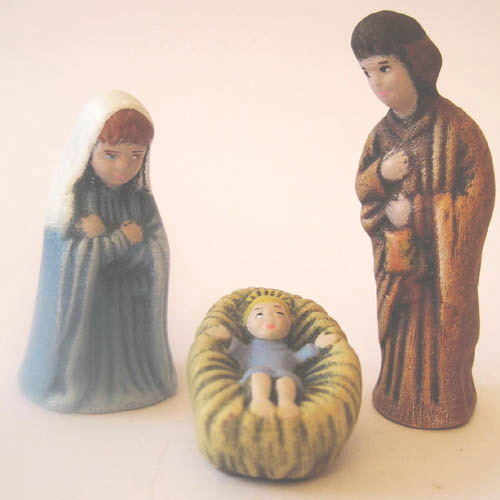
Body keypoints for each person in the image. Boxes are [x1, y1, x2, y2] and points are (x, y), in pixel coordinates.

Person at [351, 11, 495, 428]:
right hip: (397, 266)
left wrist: (423, 213)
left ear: (415, 62)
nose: (376, 83)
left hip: (441, 273)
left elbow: (479, 198)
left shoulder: (458, 129)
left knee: (442, 332)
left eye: (384, 68)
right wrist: (381, 178)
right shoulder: (380, 135)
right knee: (400, 330)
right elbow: (363, 190)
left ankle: (444, 400)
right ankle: (397, 392)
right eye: (366, 73)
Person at [19, 90, 177, 413]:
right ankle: (78, 384)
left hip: (129, 313)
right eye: (111, 155)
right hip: (89, 315)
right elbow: (70, 261)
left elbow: (155, 251)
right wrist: (121, 241)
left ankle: (133, 384)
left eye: (136, 155)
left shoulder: (139, 199)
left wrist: (107, 244)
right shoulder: (74, 203)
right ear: (88, 149)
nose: (124, 167)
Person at [208, 289, 339, 418]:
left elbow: (298, 357)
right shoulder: (250, 350)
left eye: (279, 313)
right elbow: (238, 350)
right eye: (259, 314)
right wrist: (226, 338)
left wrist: (317, 346)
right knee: (259, 376)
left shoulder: (287, 351)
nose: (270, 320)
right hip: (257, 372)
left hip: (284, 373)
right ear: (246, 322)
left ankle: (286, 404)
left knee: (286, 381)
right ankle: (260, 401)